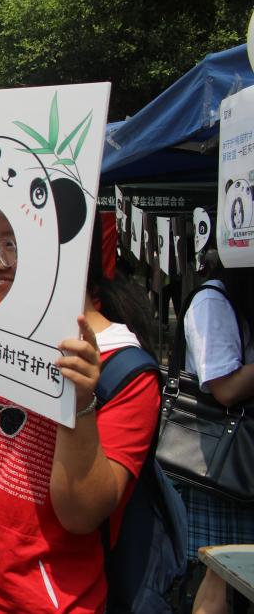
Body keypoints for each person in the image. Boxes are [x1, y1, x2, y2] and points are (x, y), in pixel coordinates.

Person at [0, 213, 162, 614]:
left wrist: (78, 404)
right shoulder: (2, 330)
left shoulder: (123, 370)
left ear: (68, 251)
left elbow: (80, 515)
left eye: (12, 245)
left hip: (38, 599)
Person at [179, 255, 254, 614]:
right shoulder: (212, 301)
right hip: (224, 460)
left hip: (240, 458)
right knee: (220, 574)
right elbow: (225, 387)